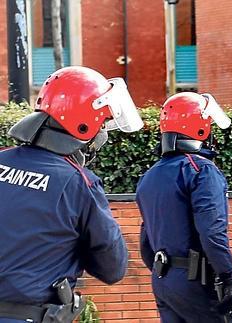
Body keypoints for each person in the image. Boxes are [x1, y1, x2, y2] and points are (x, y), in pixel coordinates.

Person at [0, 66, 142, 322]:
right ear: (85, 125)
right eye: (103, 124)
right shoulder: (79, 184)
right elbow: (113, 268)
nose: (102, 134)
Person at [137, 92, 232, 323]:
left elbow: (146, 239)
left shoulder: (150, 175)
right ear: (200, 128)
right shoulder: (201, 170)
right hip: (198, 280)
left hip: (163, 279)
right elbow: (212, 231)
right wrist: (227, 276)